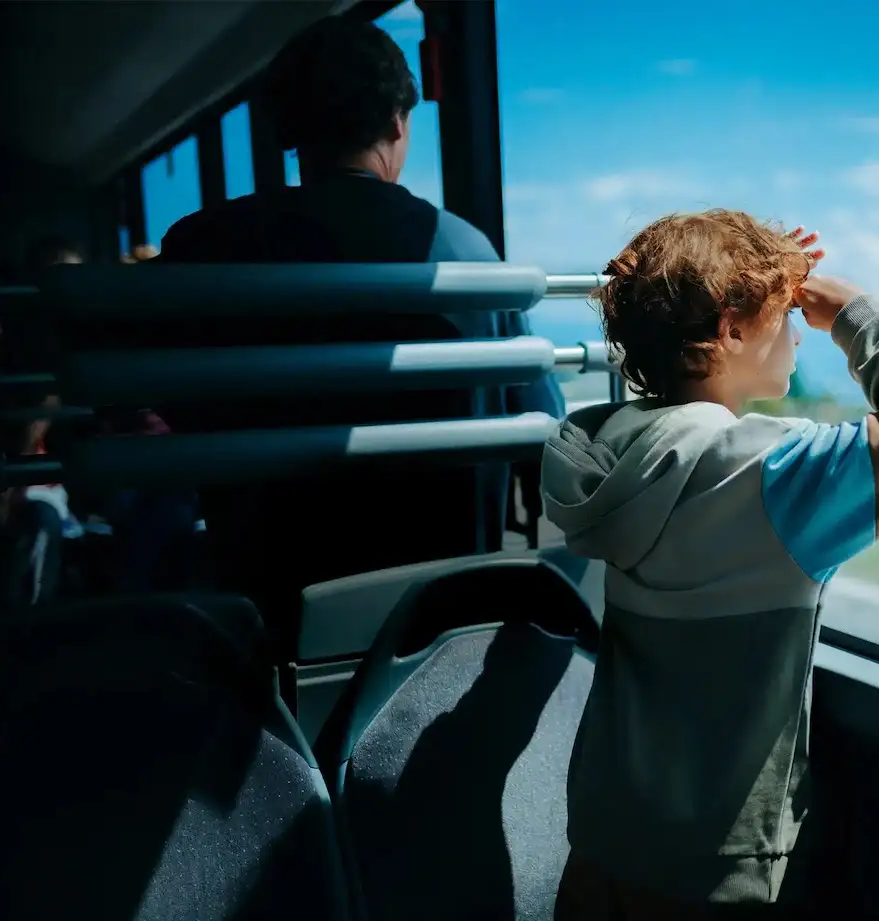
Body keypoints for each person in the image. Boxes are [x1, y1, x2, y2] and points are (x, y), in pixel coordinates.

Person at [540, 210, 879, 921]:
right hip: (713, 866)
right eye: (786, 313)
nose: (800, 329)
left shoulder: (601, 445)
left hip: (604, 836)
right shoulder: (772, 474)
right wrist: (853, 313)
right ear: (731, 329)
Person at [140, 14, 563, 640]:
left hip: (267, 607)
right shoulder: (468, 253)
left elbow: (168, 405)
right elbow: (537, 423)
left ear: (285, 130)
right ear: (397, 122)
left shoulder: (202, 246)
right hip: (438, 613)